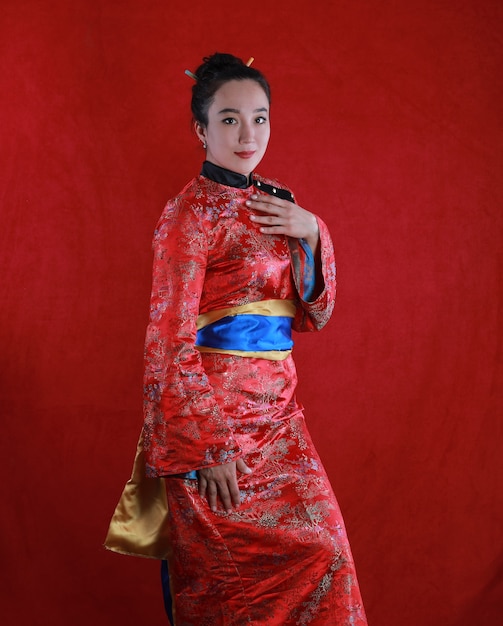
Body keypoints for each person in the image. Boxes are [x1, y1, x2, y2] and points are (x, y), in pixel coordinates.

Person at [106, 52, 367, 625]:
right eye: (229, 119)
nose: (248, 134)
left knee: (328, 555)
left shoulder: (279, 202)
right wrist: (204, 449)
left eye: (260, 117)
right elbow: (166, 342)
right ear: (201, 129)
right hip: (215, 428)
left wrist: (312, 232)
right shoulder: (188, 216)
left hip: (279, 423)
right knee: (229, 590)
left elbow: (312, 315)